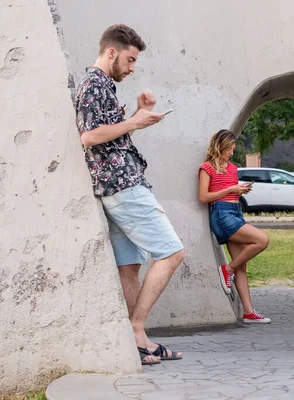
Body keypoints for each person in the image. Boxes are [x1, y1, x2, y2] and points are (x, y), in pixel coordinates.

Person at [74, 24, 184, 365]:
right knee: (172, 253)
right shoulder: (94, 83)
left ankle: (137, 340)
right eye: (130, 60)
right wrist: (135, 122)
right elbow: (90, 136)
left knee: (129, 266)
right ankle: (136, 328)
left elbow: (110, 132)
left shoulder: (103, 85)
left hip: (116, 186)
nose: (132, 68)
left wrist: (137, 113)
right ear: (111, 52)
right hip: (123, 186)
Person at [198, 129, 271, 323]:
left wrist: (240, 191)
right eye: (228, 149)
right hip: (221, 214)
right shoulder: (207, 168)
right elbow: (203, 197)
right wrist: (231, 189)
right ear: (219, 147)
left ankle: (248, 312)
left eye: (233, 149)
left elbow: (230, 193)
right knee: (262, 240)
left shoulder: (232, 168)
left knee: (242, 265)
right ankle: (227, 269)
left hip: (236, 211)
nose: (231, 152)